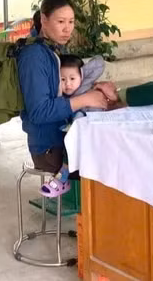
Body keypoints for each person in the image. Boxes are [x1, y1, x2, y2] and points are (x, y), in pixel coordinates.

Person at [18, 0, 109, 197]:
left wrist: (95, 88)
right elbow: (39, 112)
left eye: (71, 22)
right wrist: (84, 100)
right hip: (50, 148)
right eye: (60, 22)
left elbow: (64, 91)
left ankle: (91, 223)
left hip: (63, 139)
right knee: (113, 158)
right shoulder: (34, 56)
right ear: (43, 20)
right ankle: (92, 224)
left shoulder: (53, 50)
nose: (67, 28)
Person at [36, 53, 105, 197]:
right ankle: (64, 177)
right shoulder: (60, 95)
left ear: (81, 76)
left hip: (91, 123)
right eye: (63, 79)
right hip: (78, 134)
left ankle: (63, 177)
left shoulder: (85, 85)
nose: (68, 84)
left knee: (75, 128)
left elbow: (99, 62)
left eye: (72, 78)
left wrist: (83, 71)